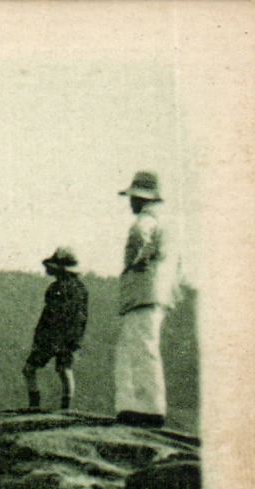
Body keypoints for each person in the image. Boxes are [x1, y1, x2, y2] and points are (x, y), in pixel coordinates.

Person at [113, 170, 176, 427]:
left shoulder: (146, 221)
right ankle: (139, 406)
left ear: (142, 199)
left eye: (134, 197)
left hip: (144, 295)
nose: (131, 202)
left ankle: (146, 408)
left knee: (139, 349)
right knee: (140, 348)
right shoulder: (166, 225)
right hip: (156, 294)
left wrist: (134, 262)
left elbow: (139, 239)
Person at [24, 247, 88, 411]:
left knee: (30, 369)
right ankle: (66, 407)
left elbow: (49, 316)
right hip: (71, 337)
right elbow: (81, 318)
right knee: (64, 369)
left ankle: (34, 405)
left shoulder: (55, 288)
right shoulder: (81, 289)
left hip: (51, 336)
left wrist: (40, 337)